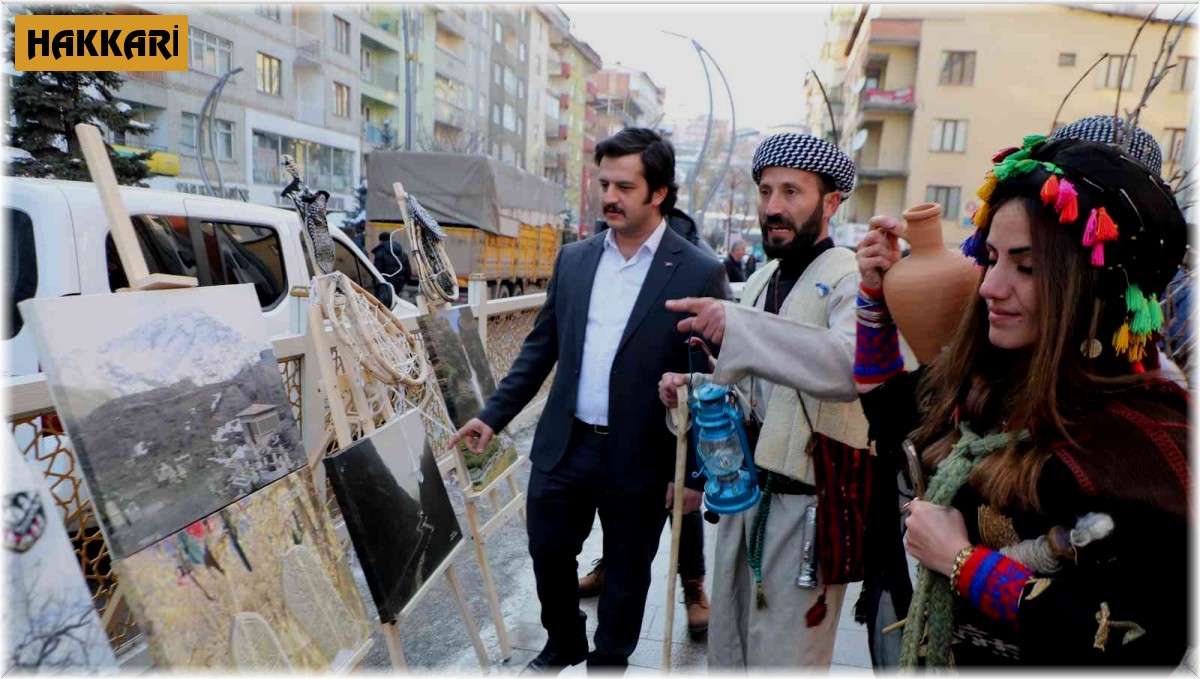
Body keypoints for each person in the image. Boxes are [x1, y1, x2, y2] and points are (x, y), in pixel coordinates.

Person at [853, 134, 1188, 667]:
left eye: (1026, 267)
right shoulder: (987, 386)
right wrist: (875, 297)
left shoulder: (1143, 445)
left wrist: (963, 562)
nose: (990, 286)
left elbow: (1143, 642)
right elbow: (886, 409)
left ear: (1093, 288)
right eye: (991, 259)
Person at [451, 128, 729, 673]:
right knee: (547, 551)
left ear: (659, 194)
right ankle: (563, 641)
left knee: (628, 572)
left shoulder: (699, 270)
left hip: (643, 453)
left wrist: (696, 474)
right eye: (604, 183)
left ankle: (609, 659)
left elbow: (712, 380)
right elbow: (540, 349)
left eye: (625, 186)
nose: (609, 197)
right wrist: (492, 416)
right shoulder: (574, 260)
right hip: (566, 442)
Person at [659, 133, 872, 668]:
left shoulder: (854, 281)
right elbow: (757, 391)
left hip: (807, 509)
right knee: (730, 650)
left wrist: (740, 327)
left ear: (830, 201)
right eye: (766, 190)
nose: (773, 207)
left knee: (786, 658)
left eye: (792, 192)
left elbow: (851, 367)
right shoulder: (760, 280)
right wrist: (697, 387)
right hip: (741, 496)